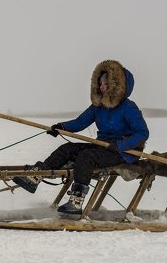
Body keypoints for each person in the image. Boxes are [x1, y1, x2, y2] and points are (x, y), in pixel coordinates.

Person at [13, 60, 149, 214]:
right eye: (100, 83)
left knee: (86, 157)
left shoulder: (128, 108)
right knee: (67, 149)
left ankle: (76, 201)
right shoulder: (98, 107)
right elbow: (81, 122)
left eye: (105, 83)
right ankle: (37, 175)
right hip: (102, 146)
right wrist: (61, 127)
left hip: (123, 152)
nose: (101, 86)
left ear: (116, 85)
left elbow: (143, 133)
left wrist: (121, 145)